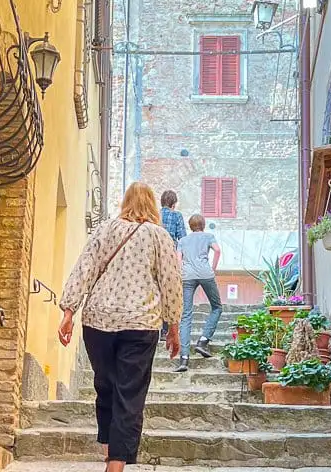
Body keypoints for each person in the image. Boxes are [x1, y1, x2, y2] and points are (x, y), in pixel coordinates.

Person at [59, 182, 183, 472]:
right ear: (153, 205)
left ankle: (109, 450)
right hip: (141, 323)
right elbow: (171, 282)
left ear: (125, 202)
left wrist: (68, 311)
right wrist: (173, 326)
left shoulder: (105, 229)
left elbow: (84, 268)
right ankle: (115, 463)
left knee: (106, 386)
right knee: (130, 391)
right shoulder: (160, 237)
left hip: (98, 322)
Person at [172, 213, 223, 373]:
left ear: (190, 225)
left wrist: (182, 272)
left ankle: (184, 359)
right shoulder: (209, 236)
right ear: (203, 224)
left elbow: (178, 259)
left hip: (187, 276)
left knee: (186, 314)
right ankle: (203, 340)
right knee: (217, 307)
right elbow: (217, 250)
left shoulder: (182, 241)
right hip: (205, 273)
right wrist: (213, 268)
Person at [158, 189, 186, 340]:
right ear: (174, 203)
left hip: (154, 255)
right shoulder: (177, 216)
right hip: (169, 256)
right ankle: (166, 330)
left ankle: (156, 328)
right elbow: (182, 238)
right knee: (169, 291)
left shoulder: (155, 214)